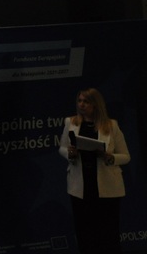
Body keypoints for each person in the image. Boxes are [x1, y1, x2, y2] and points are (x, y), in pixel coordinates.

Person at [58, 88, 130, 254]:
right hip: (81, 186)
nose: (81, 104)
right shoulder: (71, 122)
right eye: (79, 101)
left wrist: (110, 157)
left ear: (96, 105)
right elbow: (62, 147)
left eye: (86, 101)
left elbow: (126, 156)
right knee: (84, 231)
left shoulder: (111, 125)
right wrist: (69, 153)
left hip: (107, 187)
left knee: (108, 232)